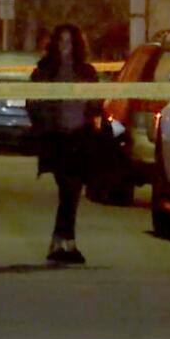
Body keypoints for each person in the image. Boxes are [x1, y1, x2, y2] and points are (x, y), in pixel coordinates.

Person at [27, 24, 100, 264]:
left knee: (71, 191)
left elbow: (96, 104)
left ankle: (63, 242)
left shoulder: (86, 72)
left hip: (79, 137)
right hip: (56, 138)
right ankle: (64, 241)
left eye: (69, 42)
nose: (65, 47)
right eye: (61, 41)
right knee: (68, 189)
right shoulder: (45, 71)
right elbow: (33, 102)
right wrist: (43, 126)